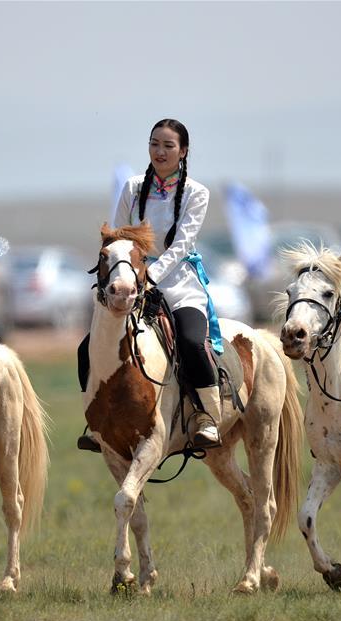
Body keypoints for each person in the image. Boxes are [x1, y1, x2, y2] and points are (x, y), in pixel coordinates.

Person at [78, 118, 222, 451]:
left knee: (189, 340)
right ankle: (96, 419)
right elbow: (116, 235)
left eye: (168, 146)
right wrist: (122, 275)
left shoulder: (197, 193)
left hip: (178, 282)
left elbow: (182, 244)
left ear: (183, 152)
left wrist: (152, 276)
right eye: (154, 143)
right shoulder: (132, 187)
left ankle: (207, 416)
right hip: (134, 281)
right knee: (88, 347)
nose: (160, 151)